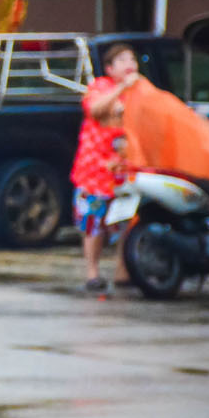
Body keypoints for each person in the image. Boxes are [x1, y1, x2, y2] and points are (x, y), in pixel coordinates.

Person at [72, 42, 136, 293]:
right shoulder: (99, 87)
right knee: (93, 222)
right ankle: (92, 273)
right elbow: (96, 109)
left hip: (125, 169)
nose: (130, 64)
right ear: (110, 68)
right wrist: (121, 88)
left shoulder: (139, 92)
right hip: (95, 171)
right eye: (122, 60)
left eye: (132, 59)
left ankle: (123, 270)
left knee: (127, 221)